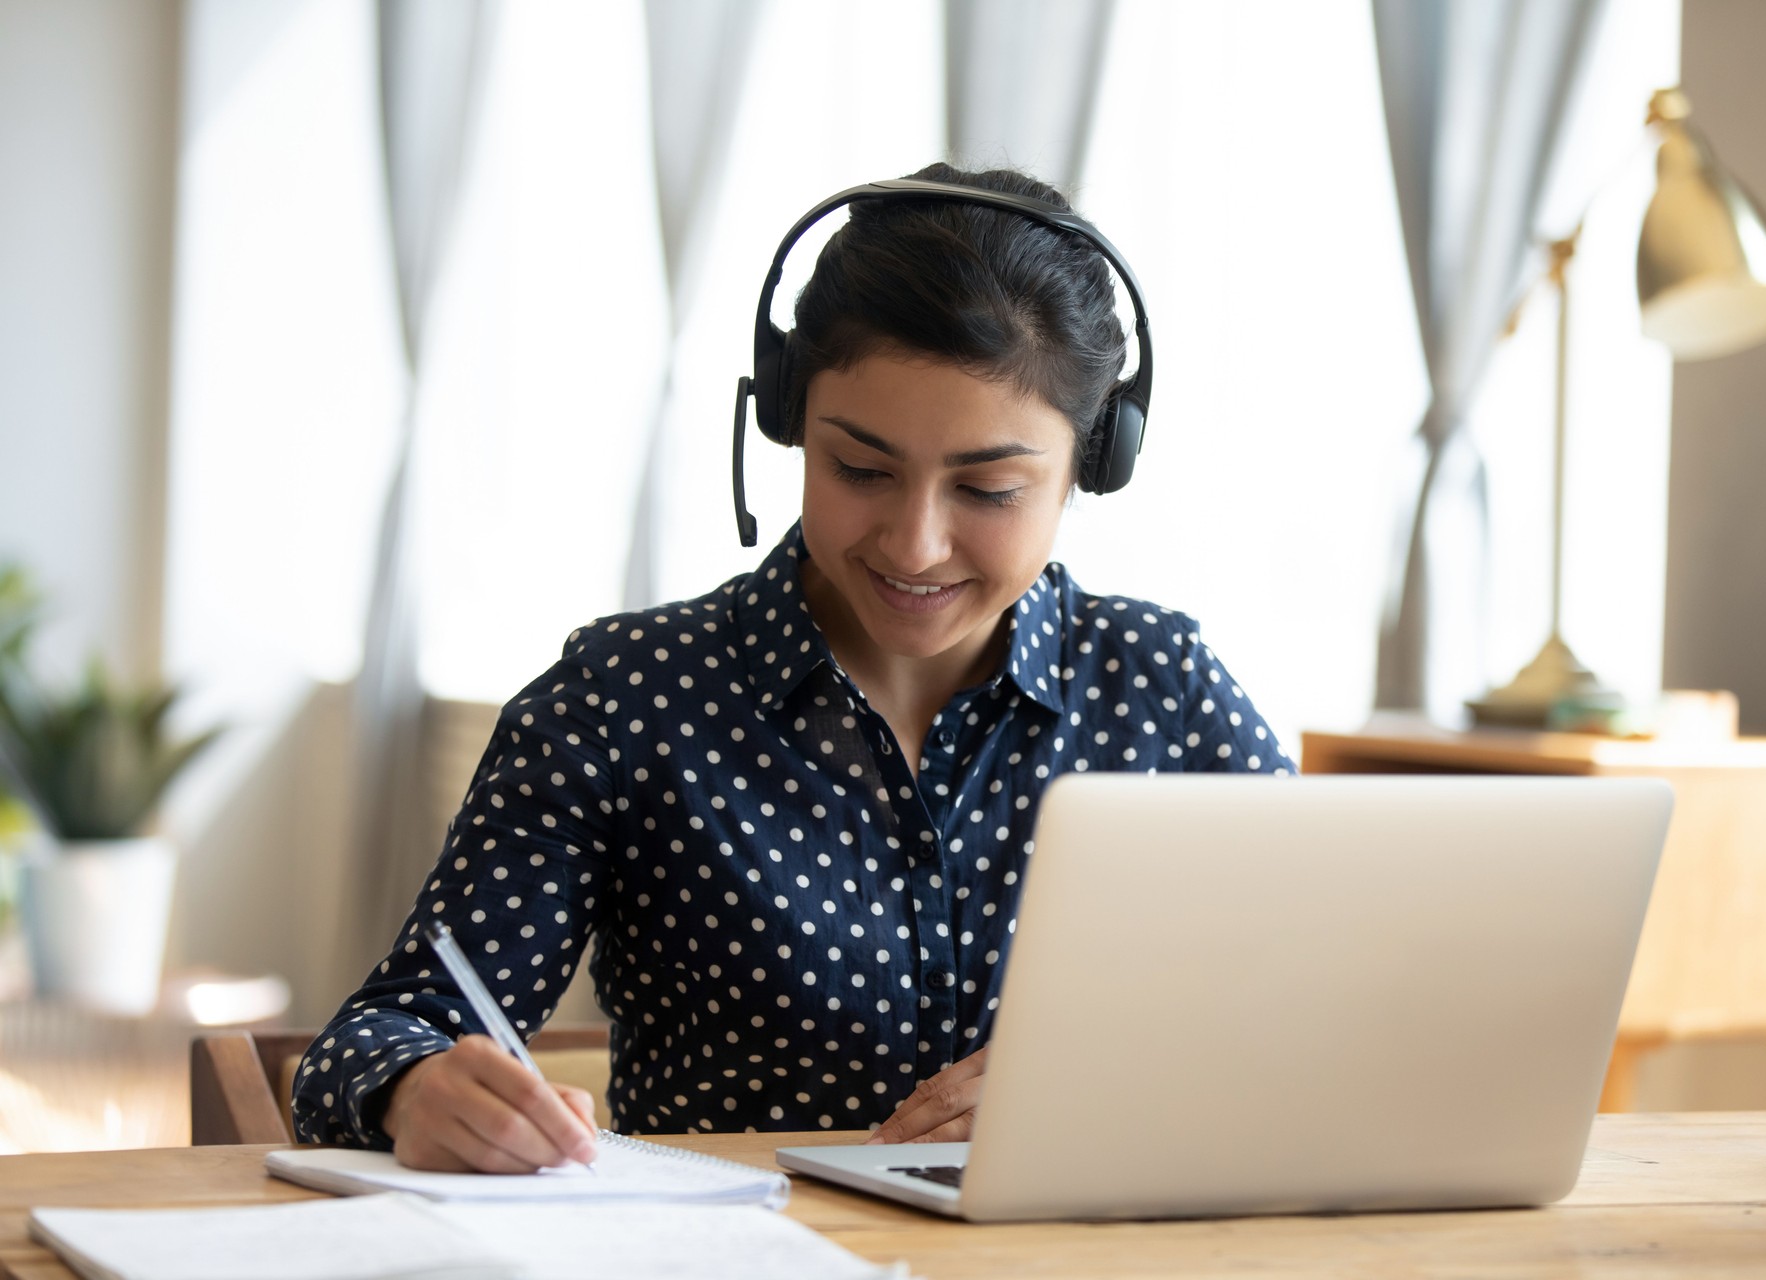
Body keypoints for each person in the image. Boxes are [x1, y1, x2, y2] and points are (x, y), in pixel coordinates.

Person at [293, 163, 1296, 1172]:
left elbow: (1335, 1006)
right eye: (860, 470)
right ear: (786, 423)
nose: (914, 544)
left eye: (988, 488)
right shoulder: (626, 695)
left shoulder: (1163, 690)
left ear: (1092, 464)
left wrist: (1111, 1090)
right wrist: (418, 1087)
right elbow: (376, 1037)